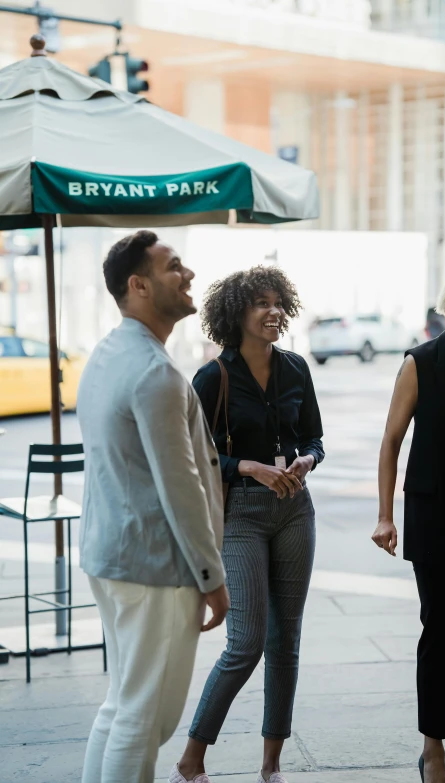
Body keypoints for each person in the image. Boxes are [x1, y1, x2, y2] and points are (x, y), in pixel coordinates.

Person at [78, 230, 230, 783]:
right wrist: (211, 575)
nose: (188, 275)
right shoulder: (155, 372)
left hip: (113, 557)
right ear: (138, 285)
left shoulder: (107, 353)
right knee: (145, 720)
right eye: (174, 267)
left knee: (122, 706)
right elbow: (180, 483)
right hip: (156, 568)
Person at [172, 266, 325, 783]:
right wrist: (250, 468)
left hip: (294, 513)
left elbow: (314, 439)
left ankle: (271, 765)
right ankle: (191, 759)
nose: (274, 311)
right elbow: (198, 452)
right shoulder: (212, 377)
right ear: (236, 314)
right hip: (240, 516)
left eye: (278, 301)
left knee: (287, 641)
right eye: (261, 303)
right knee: (246, 643)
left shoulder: (296, 368)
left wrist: (304, 462)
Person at [371, 262, 445, 783]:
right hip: (435, 514)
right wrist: (385, 516)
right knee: (441, 630)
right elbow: (391, 442)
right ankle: (432, 748)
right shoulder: (421, 362)